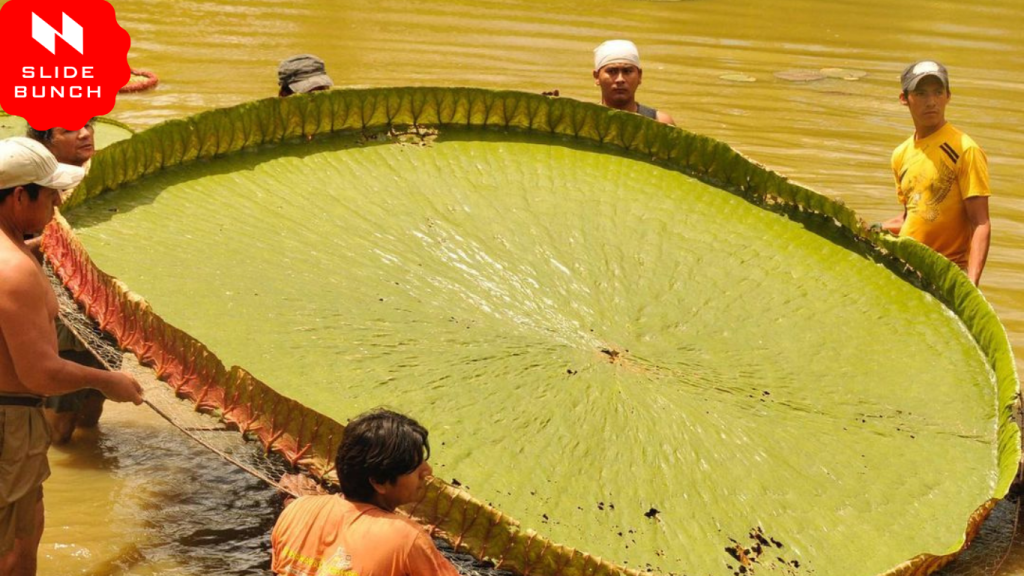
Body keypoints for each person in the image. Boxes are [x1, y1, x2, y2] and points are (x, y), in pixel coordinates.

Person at [0, 136, 144, 575]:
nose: (58, 201)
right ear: (20, 195)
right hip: (9, 421)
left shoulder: (17, 251)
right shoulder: (13, 270)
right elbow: (40, 373)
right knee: (15, 545)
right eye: (50, 193)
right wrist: (107, 381)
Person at [271, 409, 459, 576]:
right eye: (415, 466)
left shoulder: (296, 510)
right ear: (378, 481)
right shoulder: (406, 538)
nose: (427, 471)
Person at [26, 121, 106, 444]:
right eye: (70, 130)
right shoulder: (30, 185)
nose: (85, 134)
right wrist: (55, 241)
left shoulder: (100, 183)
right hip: (62, 320)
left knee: (92, 412)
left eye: (88, 124)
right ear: (48, 142)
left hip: (101, 317)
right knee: (58, 428)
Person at [877, 61, 991, 286]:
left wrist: (971, 286)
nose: (931, 102)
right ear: (904, 99)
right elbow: (914, 215)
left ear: (948, 96)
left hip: (944, 272)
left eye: (938, 93)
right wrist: (874, 228)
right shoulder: (900, 154)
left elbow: (981, 223)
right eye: (921, 93)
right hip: (905, 268)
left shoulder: (965, 149)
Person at [593, 40, 674, 126]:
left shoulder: (660, 123)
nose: (620, 79)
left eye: (627, 71)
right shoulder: (584, 122)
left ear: (639, 76)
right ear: (597, 76)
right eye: (612, 71)